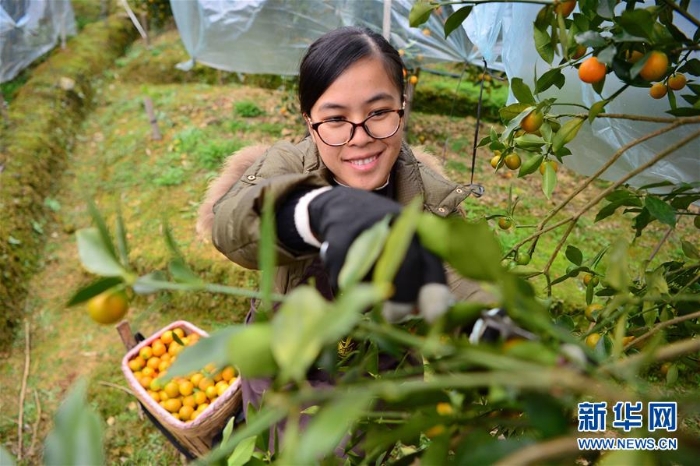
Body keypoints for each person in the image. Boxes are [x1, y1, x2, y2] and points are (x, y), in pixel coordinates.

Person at [197, 26, 498, 455]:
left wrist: (492, 322)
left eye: (378, 112)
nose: (359, 136)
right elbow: (231, 223)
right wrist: (310, 213)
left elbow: (457, 276)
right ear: (310, 121)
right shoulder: (285, 164)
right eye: (336, 119)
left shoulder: (430, 197)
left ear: (402, 107)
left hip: (381, 382)